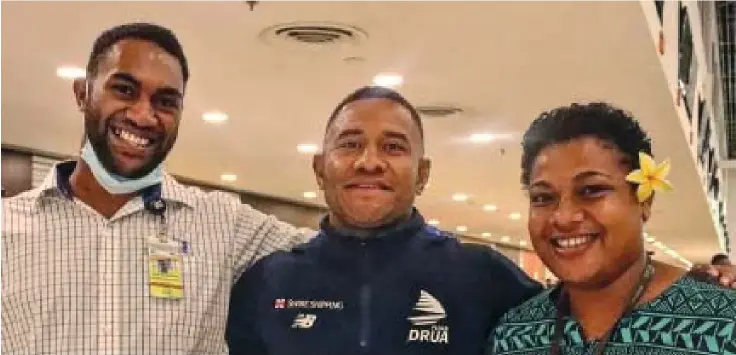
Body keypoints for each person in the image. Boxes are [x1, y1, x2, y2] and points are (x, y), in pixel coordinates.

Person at [1, 23, 310, 354]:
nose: (144, 116)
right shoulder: (6, 228)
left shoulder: (224, 224)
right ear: (82, 93)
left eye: (165, 102)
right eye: (124, 90)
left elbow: (334, 253)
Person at [225, 86, 543, 355]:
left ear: (422, 174)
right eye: (350, 144)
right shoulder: (266, 282)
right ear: (320, 169)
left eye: (393, 147)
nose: (369, 162)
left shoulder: (487, 280)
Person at [488, 102, 736, 354]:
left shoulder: (723, 322)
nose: (563, 217)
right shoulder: (514, 334)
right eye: (542, 197)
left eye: (591, 190)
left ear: (644, 200)